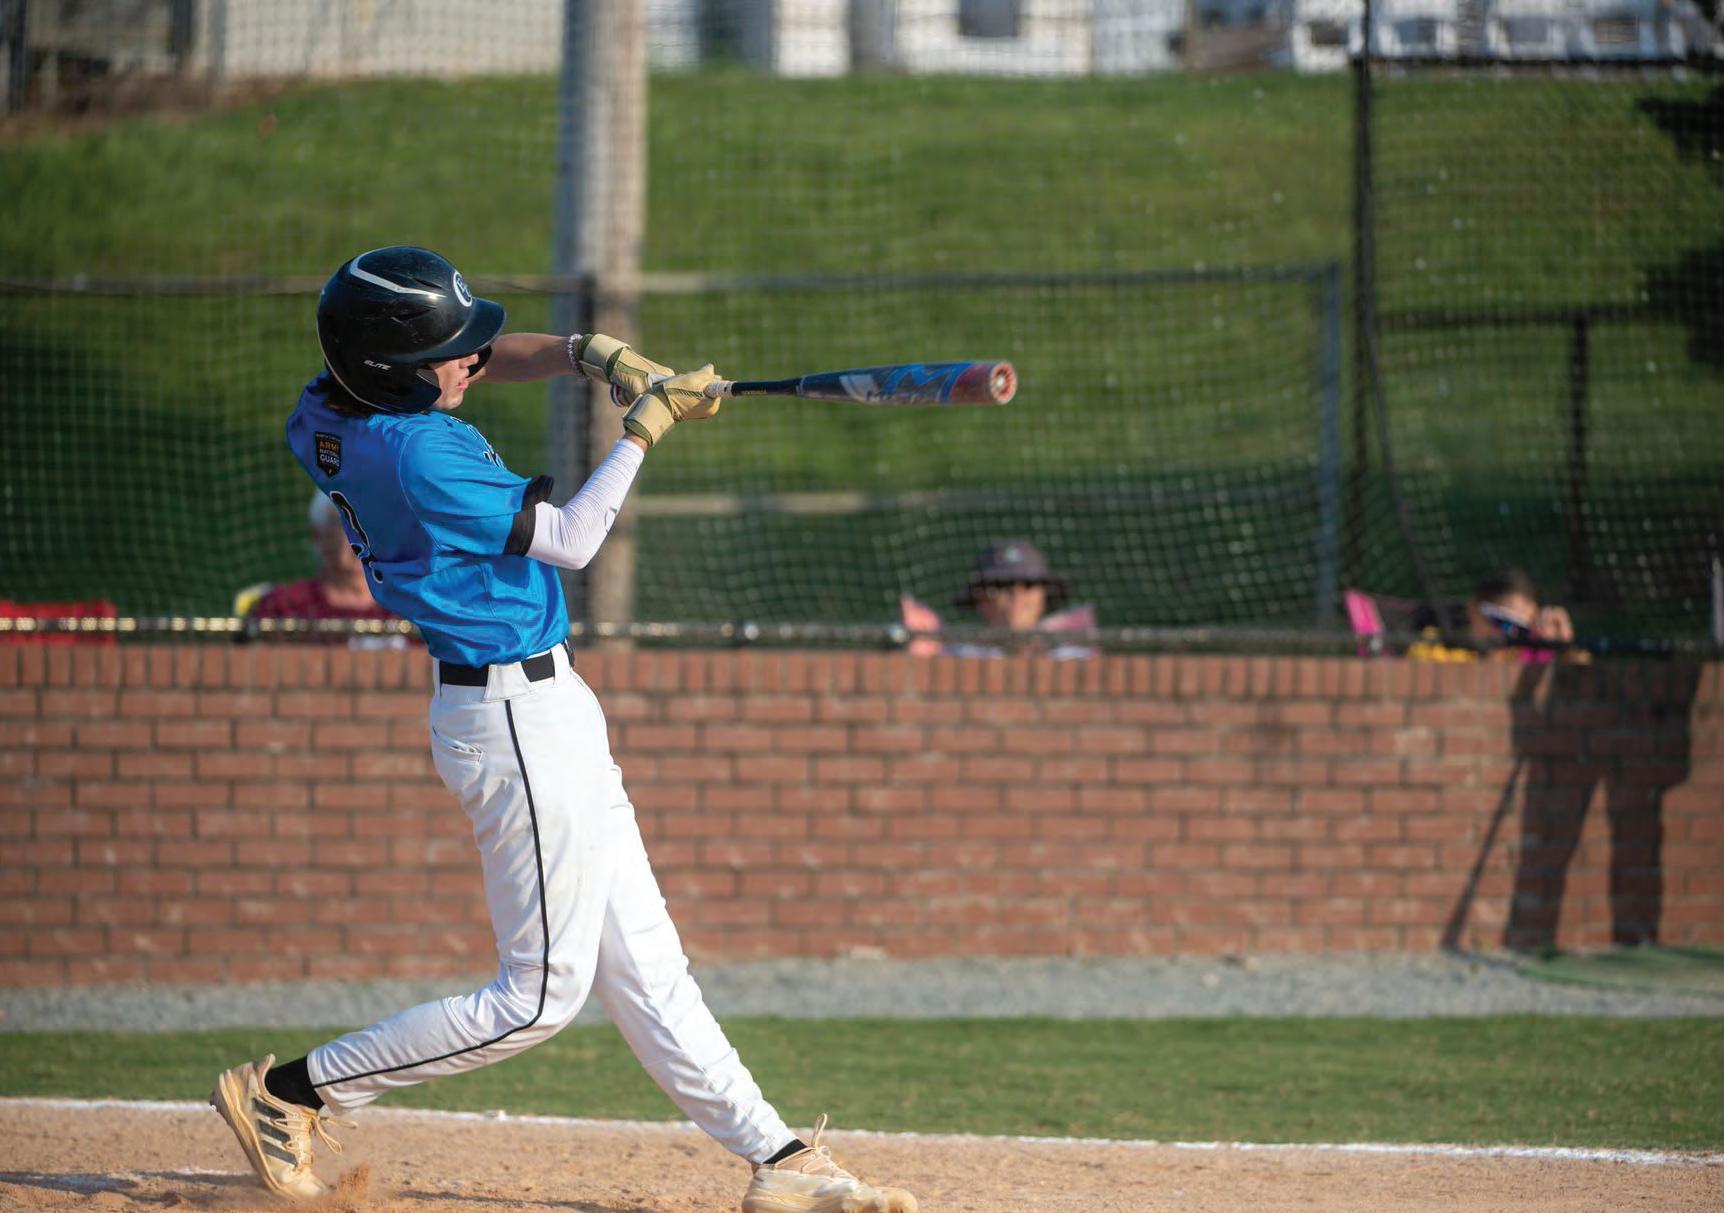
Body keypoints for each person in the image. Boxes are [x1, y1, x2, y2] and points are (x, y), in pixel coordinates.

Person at [207, 246, 915, 1213]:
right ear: (393, 372)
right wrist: (645, 430)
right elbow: (575, 540)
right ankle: (291, 1092)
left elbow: (485, 358)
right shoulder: (419, 456)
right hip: (511, 722)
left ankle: (781, 1159)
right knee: (539, 997)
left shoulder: (327, 408)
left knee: (648, 963)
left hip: (542, 707)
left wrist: (592, 355)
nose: (472, 361)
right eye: (448, 355)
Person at [240, 491, 406, 644]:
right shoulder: (285, 607)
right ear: (318, 535)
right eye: (349, 524)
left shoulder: (407, 611)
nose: (365, 537)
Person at [902, 539, 1094, 659]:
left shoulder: (1074, 658)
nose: (1017, 596)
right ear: (980, 596)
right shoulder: (956, 658)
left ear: (1044, 595)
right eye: (1003, 585)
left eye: (1028, 584)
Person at [1466, 567, 1589, 664]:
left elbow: (1583, 674)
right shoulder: (1457, 656)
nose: (1513, 634)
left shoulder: (1534, 657)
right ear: (1473, 610)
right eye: (1503, 622)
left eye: (1523, 629)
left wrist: (1565, 648)